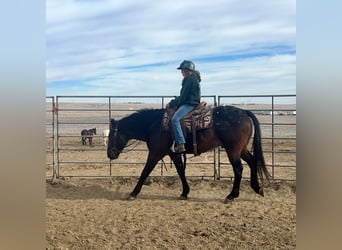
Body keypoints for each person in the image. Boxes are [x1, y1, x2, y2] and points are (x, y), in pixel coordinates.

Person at [166, 60, 201, 153]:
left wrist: (172, 103)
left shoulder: (189, 79)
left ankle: (181, 143)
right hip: (192, 102)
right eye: (182, 70)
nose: (182, 72)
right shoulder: (194, 78)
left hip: (189, 103)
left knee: (175, 119)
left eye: (183, 70)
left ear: (188, 70)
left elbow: (183, 97)